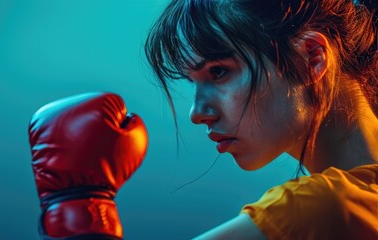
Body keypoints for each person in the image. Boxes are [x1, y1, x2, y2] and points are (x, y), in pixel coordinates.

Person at [28, 0, 377, 239]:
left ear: (311, 57)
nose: (197, 113)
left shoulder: (320, 211)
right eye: (194, 83)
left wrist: (77, 204)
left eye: (220, 71)